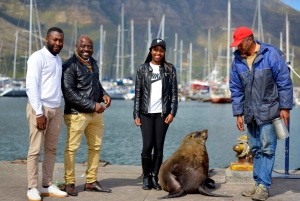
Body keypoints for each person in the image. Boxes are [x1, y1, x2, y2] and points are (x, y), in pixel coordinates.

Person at [229, 27, 293, 201]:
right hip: (250, 113)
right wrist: (238, 113)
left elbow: (284, 82)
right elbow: (235, 89)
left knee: (267, 149)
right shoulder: (237, 61)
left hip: (270, 111)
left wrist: (285, 108)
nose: (238, 48)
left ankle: (264, 186)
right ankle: (257, 183)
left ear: (250, 39)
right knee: (255, 149)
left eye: (240, 43)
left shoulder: (270, 54)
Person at [61, 35, 112, 196]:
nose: (86, 49)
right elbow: (69, 92)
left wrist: (104, 94)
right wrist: (92, 105)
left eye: (89, 47)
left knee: (95, 148)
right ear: (76, 46)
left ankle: (91, 181)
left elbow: (96, 84)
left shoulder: (93, 63)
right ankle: (69, 182)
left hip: (96, 115)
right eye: (83, 46)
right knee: (71, 149)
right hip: (77, 114)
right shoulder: (69, 65)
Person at [26, 27, 68, 201]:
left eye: (60, 41)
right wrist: (38, 112)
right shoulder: (37, 57)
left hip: (56, 109)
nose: (58, 43)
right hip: (40, 109)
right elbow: (31, 85)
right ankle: (32, 187)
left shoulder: (58, 60)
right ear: (47, 39)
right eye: (55, 40)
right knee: (35, 150)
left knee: (51, 149)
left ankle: (47, 185)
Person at [133, 38, 178, 190]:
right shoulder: (142, 69)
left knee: (159, 147)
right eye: (155, 50)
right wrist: (136, 114)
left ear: (164, 52)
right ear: (151, 51)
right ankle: (146, 177)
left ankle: (154, 176)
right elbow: (138, 93)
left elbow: (174, 94)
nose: (158, 53)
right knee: (147, 146)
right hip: (145, 113)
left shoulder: (170, 69)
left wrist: (172, 112)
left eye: (161, 50)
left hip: (162, 114)